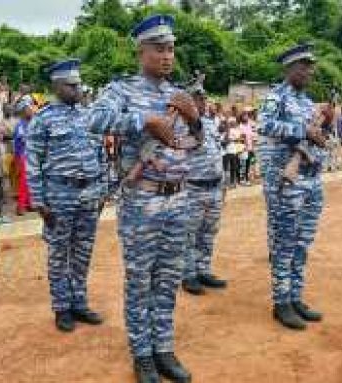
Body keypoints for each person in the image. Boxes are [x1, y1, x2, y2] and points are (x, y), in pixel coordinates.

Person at [87, 14, 202, 383]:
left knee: (168, 278)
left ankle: (164, 348)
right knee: (140, 279)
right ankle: (142, 353)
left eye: (170, 49)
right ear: (141, 51)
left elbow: (196, 145)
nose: (167, 55)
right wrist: (143, 121)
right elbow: (94, 120)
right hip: (142, 199)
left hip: (179, 199)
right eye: (159, 48)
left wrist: (196, 119)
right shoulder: (121, 91)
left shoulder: (179, 94)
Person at [26, 59, 107, 333]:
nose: (78, 89)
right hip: (59, 194)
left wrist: (103, 189)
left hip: (89, 192)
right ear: (57, 85)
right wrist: (39, 201)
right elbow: (32, 163)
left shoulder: (88, 115)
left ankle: (79, 302)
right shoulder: (42, 119)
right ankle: (62, 307)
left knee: (83, 251)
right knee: (59, 253)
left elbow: (101, 155)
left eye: (78, 84)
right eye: (71, 85)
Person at [257, 43, 326, 331]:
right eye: (304, 67)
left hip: (310, 180)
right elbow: (265, 125)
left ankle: (295, 296)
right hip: (285, 183)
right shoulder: (276, 98)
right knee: (284, 243)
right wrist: (302, 131)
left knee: (302, 243)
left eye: (311, 66)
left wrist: (318, 141)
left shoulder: (308, 103)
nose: (309, 71)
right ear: (290, 69)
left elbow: (315, 137)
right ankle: (281, 302)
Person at [181, 85, 227, 296]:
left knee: (209, 232)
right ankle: (188, 274)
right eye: (197, 98)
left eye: (203, 97)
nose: (202, 101)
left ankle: (203, 269)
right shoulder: (181, 127)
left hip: (215, 186)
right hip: (193, 188)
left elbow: (218, 154)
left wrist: (223, 186)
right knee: (190, 234)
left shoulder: (210, 124)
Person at [11, 97, 36, 215]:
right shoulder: (20, 125)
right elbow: (24, 141)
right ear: (22, 111)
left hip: (32, 155)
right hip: (23, 156)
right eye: (28, 109)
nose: (31, 110)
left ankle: (30, 203)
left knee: (31, 181)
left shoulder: (31, 123)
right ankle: (20, 206)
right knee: (23, 182)